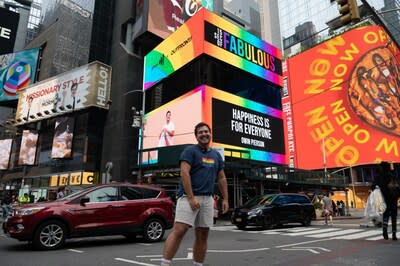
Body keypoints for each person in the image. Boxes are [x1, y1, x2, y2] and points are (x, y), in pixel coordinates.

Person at [161, 122, 229, 266]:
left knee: (203, 234)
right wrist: (191, 198)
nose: (204, 134)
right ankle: (164, 264)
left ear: (210, 134)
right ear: (196, 136)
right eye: (200, 132)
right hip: (188, 197)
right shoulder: (190, 151)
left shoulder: (216, 155)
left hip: (207, 198)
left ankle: (198, 264)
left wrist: (226, 199)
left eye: (206, 131)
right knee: (180, 230)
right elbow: (184, 173)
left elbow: (222, 177)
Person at [375, 162, 400, 240]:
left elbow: (373, 186)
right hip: (393, 198)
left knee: (385, 216)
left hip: (385, 198)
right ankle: (394, 234)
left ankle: (385, 230)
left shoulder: (380, 176)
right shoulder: (393, 174)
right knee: (394, 217)